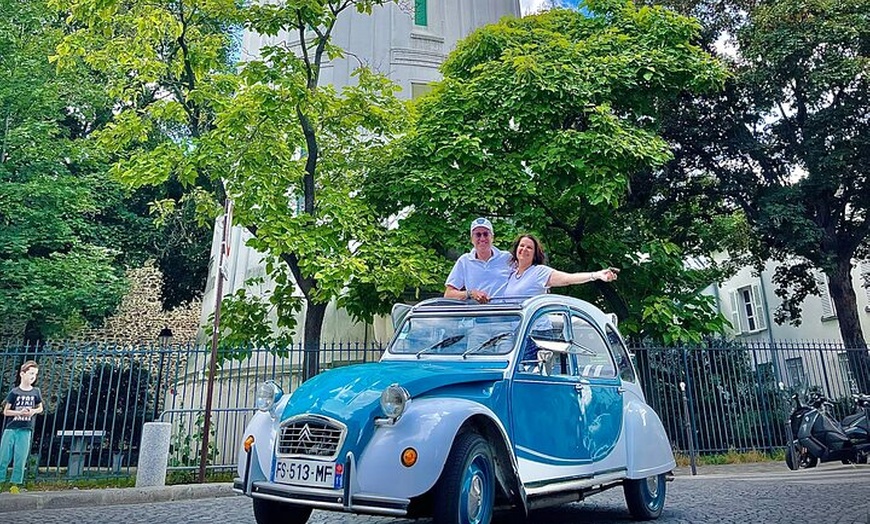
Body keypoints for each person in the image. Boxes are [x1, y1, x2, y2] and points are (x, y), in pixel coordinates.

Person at [503, 234, 618, 296]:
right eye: (521, 246)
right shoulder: (512, 275)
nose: (524, 249)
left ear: (535, 254)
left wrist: (596, 275)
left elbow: (568, 279)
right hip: (516, 332)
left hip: (536, 332)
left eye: (529, 248)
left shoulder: (539, 272)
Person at [444, 217, 512, 304]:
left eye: (486, 234)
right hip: (476, 313)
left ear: (492, 237)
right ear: (471, 239)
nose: (482, 238)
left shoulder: (507, 257)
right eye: (478, 235)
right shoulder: (464, 261)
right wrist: (470, 293)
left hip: (505, 313)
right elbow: (448, 294)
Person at [0, 360, 43, 493]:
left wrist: (33, 411)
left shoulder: (36, 392)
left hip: (26, 429)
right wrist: (19, 412)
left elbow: (40, 407)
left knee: (21, 457)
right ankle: (1, 481)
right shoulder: (14, 392)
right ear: (22, 374)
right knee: (4, 456)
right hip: (11, 427)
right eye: (30, 373)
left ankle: (15, 484)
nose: (32, 377)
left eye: (35, 374)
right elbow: (6, 411)